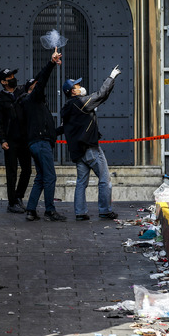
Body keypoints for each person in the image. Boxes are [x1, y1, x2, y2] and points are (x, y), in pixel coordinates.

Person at [60, 65, 122, 221]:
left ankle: (80, 212)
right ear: (73, 91)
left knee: (81, 182)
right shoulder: (80, 103)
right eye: (77, 86)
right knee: (105, 180)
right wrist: (111, 77)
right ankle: (105, 210)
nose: (81, 87)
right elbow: (101, 95)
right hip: (90, 148)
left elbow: (65, 128)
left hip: (77, 151)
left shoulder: (68, 107)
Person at [18, 50, 66, 222]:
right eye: (36, 86)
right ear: (33, 89)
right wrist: (51, 63)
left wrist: (63, 129)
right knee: (50, 176)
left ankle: (31, 210)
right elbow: (42, 79)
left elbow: (49, 131)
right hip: (40, 144)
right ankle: (50, 211)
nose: (40, 87)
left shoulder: (35, 105)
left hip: (37, 143)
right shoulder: (33, 99)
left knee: (40, 177)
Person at [0, 67, 31, 213]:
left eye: (14, 76)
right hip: (11, 141)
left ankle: (19, 197)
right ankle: (12, 202)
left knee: (27, 169)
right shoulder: (0, 100)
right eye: (10, 77)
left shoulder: (22, 92)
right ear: (3, 82)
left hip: (25, 139)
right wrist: (2, 140)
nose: (13, 79)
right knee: (11, 172)